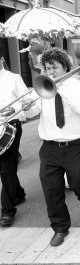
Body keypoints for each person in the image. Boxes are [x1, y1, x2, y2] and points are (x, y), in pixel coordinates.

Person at [26, 48, 80, 247]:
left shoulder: (77, 85)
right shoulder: (42, 86)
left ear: (64, 66)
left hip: (74, 146)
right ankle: (60, 227)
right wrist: (25, 105)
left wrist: (59, 87)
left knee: (78, 184)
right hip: (49, 148)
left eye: (54, 67)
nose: (51, 72)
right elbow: (32, 110)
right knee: (51, 190)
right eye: (47, 68)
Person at [0, 53, 32, 227]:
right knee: (7, 167)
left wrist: (14, 108)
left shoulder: (14, 78)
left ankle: (7, 211)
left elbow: (28, 101)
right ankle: (18, 193)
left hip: (10, 126)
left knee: (6, 168)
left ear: (2, 59)